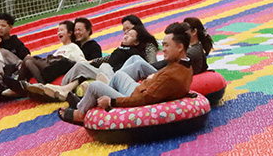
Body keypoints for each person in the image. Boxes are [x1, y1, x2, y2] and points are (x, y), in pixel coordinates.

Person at [58, 22, 194, 125]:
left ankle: (80, 112)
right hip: (139, 89)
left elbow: (143, 100)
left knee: (95, 86)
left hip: (136, 95)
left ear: (180, 47)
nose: (163, 49)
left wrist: (112, 101)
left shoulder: (172, 75)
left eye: (166, 45)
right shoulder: (183, 65)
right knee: (118, 75)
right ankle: (93, 97)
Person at [26, 15, 158, 101]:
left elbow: (150, 64)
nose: (125, 33)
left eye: (129, 29)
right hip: (109, 69)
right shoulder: (124, 47)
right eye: (124, 30)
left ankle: (58, 89)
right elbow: (110, 58)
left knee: (88, 67)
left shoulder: (145, 46)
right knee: (81, 66)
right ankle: (62, 88)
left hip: (119, 73)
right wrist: (92, 62)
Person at [19, 20, 86, 83]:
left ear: (70, 33)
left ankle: (37, 84)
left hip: (56, 66)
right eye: (58, 31)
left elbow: (81, 61)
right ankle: (22, 84)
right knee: (28, 61)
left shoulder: (73, 46)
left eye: (62, 30)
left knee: (28, 59)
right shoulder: (60, 48)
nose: (59, 33)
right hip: (49, 65)